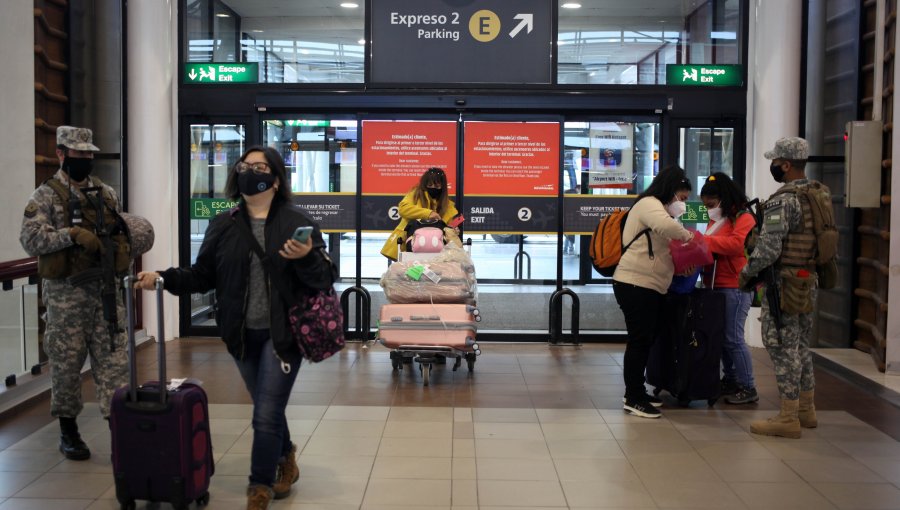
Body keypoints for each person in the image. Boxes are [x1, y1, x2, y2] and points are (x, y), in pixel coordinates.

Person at [134, 146, 336, 508]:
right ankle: (285, 453)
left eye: (259, 166)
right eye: (244, 165)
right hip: (240, 335)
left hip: (283, 335)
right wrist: (163, 278)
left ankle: (259, 487)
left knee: (265, 413)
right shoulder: (223, 224)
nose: (249, 171)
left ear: (275, 179)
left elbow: (323, 277)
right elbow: (202, 276)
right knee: (266, 405)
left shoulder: (296, 221)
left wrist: (306, 258)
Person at [19, 126, 129, 461]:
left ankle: (120, 431)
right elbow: (31, 241)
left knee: (115, 361)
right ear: (61, 154)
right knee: (67, 365)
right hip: (67, 295)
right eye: (77, 154)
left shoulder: (105, 192)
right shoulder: (45, 195)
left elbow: (120, 228)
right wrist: (71, 234)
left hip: (106, 291)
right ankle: (68, 431)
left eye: (88, 154)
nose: (84, 160)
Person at [739, 137, 823, 439]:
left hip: (784, 283)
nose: (773, 166)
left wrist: (747, 273)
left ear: (786, 164)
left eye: (775, 161)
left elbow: (769, 248)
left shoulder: (783, 201)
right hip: (807, 280)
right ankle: (806, 410)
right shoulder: (816, 195)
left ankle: (788, 417)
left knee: (781, 346)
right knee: (800, 344)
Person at [613, 165, 694, 418]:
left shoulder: (659, 208)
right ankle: (633, 397)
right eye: (680, 198)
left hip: (650, 285)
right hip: (635, 283)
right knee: (639, 340)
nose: (681, 203)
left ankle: (636, 391)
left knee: (646, 338)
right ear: (670, 189)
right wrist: (691, 238)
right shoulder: (649, 204)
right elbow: (665, 228)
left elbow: (663, 250)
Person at [699, 173, 759, 404]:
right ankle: (731, 380)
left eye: (711, 204)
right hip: (715, 284)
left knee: (733, 338)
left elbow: (735, 245)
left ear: (723, 198)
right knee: (722, 338)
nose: (708, 209)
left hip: (736, 286)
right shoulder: (718, 220)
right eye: (706, 205)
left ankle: (748, 386)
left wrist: (702, 241)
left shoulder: (743, 218)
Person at [380, 167, 459, 261]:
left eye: (437, 186)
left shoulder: (448, 205)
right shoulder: (415, 194)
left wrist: (453, 230)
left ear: (443, 186)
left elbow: (448, 227)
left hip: (435, 249)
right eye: (430, 185)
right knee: (409, 273)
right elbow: (403, 209)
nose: (433, 188)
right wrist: (428, 213)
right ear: (425, 184)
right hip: (409, 246)